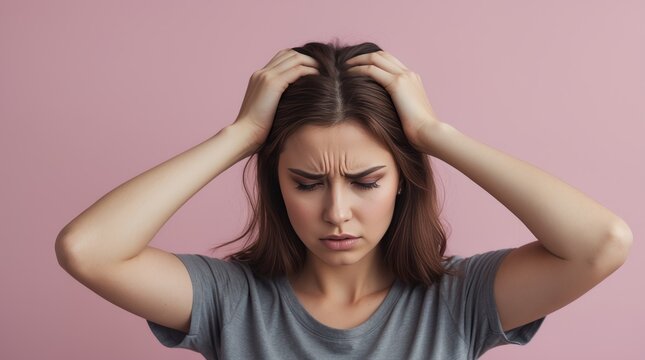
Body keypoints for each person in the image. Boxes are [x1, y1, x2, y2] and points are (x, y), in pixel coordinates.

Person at [55, 40, 633, 359]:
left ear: (403, 180)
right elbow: (88, 250)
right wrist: (238, 137)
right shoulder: (230, 300)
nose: (336, 211)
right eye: (306, 183)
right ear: (276, 182)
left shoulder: (459, 301)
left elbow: (601, 243)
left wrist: (434, 134)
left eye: (365, 181)